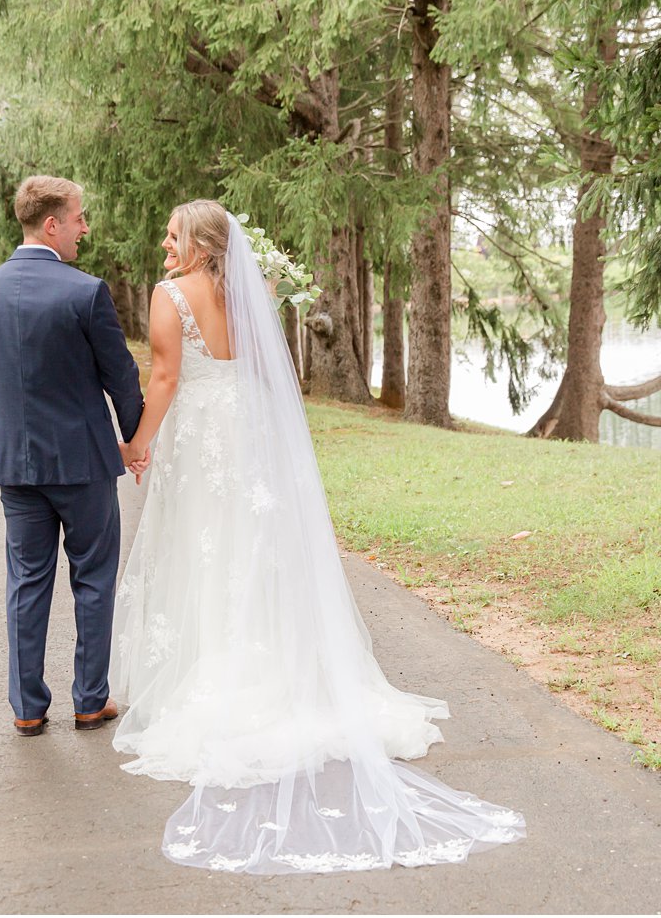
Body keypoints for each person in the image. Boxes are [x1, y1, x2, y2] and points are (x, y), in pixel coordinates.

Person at [110, 199, 525, 873]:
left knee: (201, 551)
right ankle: (279, 668)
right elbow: (263, 373)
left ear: (199, 241)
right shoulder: (252, 293)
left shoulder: (170, 296)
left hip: (200, 437)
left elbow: (163, 376)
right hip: (247, 437)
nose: (164, 244)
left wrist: (137, 443)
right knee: (251, 550)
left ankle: (215, 675)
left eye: (172, 234)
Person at [0, 175, 146, 737]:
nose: (85, 228)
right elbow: (122, 377)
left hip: (18, 469)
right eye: (79, 217)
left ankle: (27, 707)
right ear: (52, 224)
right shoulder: (84, 292)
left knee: (26, 581)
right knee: (93, 578)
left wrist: (4, 449)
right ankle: (90, 700)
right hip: (84, 466)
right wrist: (134, 442)